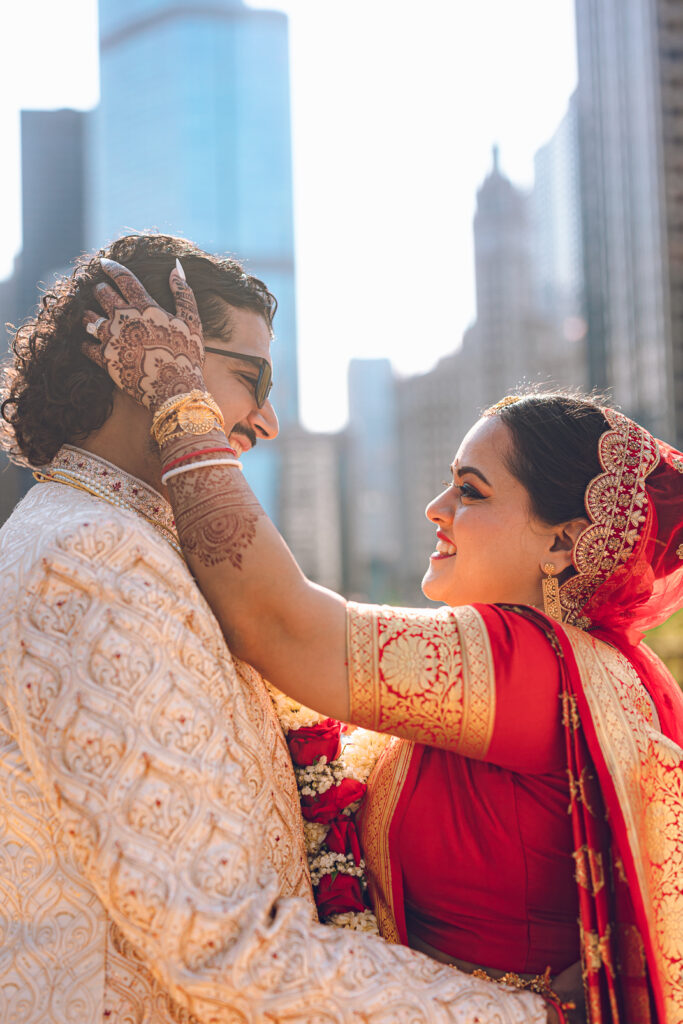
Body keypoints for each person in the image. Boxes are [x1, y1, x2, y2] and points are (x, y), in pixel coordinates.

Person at [77, 258, 683, 1024]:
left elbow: (278, 624)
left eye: (470, 490)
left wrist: (178, 401)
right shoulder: (563, 669)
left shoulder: (532, 661)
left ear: (562, 543)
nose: (436, 507)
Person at [0, 234, 553, 1024]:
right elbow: (221, 945)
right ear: (139, 358)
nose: (267, 421)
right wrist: (532, 1016)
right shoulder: (91, 556)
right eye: (249, 379)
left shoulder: (122, 542)